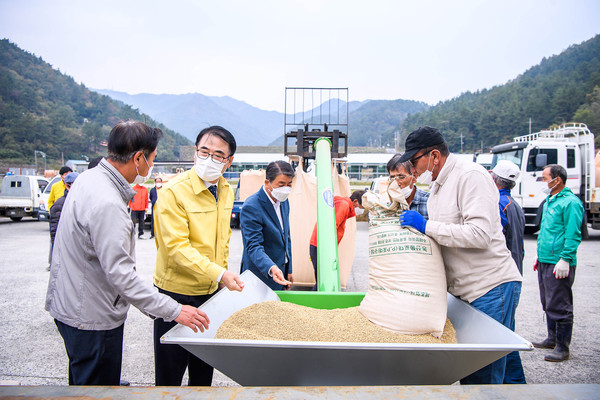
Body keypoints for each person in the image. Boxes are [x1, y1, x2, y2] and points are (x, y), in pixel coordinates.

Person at [45, 120, 210, 386]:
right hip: (92, 317)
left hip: (70, 304)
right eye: (152, 159)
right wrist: (173, 310)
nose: (151, 166)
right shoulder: (108, 202)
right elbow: (121, 276)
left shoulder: (89, 178)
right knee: (95, 389)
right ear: (138, 158)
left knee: (80, 384)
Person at [397, 126, 522, 384]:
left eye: (414, 161)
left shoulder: (469, 176)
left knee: (483, 373)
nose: (412, 168)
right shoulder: (437, 185)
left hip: (489, 286)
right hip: (465, 292)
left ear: (434, 155)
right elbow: (446, 235)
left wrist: (426, 226)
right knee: (477, 368)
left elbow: (479, 234)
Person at [153, 125, 245, 386]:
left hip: (211, 294)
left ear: (228, 162)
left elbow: (222, 240)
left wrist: (219, 278)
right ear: (195, 152)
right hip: (176, 295)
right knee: (170, 375)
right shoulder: (173, 192)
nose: (209, 159)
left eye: (218, 155)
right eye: (204, 151)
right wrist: (220, 273)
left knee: (203, 373)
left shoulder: (226, 190)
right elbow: (177, 248)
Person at [531, 164, 584, 362]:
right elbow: (546, 231)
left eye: (545, 178)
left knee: (560, 304)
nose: (543, 182)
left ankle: (563, 346)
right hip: (546, 259)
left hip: (559, 262)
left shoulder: (570, 202)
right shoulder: (549, 201)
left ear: (557, 180)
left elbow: (573, 234)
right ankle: (552, 338)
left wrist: (565, 259)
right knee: (548, 301)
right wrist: (540, 254)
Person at [490, 160, 527, 384]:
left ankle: (513, 384)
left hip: (501, 276)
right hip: (515, 271)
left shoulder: (498, 205)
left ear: (494, 179)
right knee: (507, 331)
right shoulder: (515, 205)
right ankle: (516, 383)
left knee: (500, 334)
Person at [241, 161, 294, 290]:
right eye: (281, 184)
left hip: (281, 272)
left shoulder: (283, 201)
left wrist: (289, 268)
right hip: (260, 275)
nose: (285, 189)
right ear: (267, 183)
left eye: (289, 184)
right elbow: (253, 246)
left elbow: (286, 236)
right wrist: (271, 268)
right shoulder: (252, 207)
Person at [309, 190, 366, 290]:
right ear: (356, 201)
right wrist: (329, 251)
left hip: (320, 244)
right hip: (322, 246)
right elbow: (331, 227)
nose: (363, 210)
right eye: (363, 206)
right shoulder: (344, 205)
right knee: (322, 280)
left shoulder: (344, 204)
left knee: (322, 280)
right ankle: (315, 304)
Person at [49, 172, 79, 266]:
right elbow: (55, 233)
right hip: (65, 252)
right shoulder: (60, 205)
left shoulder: (79, 200)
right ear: (67, 185)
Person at [386, 153, 429, 218]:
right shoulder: (388, 205)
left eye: (401, 177)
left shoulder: (429, 202)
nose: (397, 183)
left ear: (414, 177)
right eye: (392, 178)